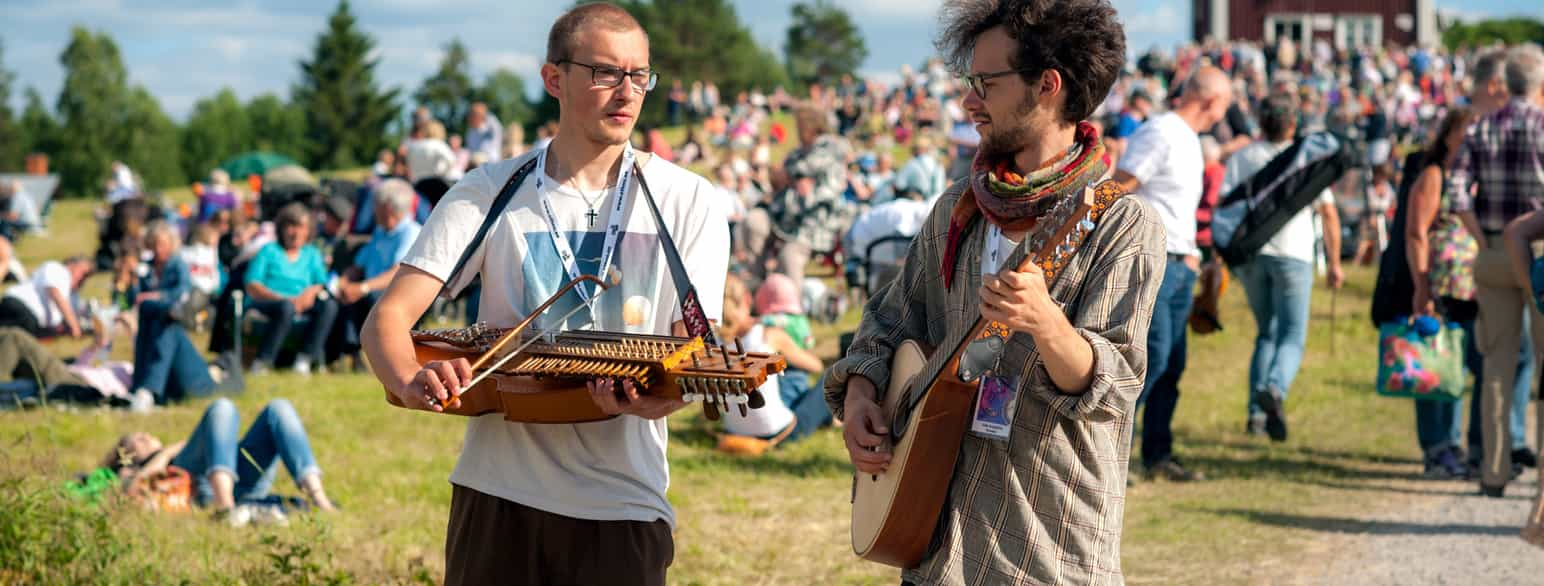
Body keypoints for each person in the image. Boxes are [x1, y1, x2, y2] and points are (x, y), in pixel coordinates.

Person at [362, 4, 728, 584]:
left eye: (639, 75)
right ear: (554, 79)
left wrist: (654, 399)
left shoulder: (689, 199)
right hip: (495, 494)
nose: (626, 92)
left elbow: (692, 358)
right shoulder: (487, 190)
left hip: (623, 502)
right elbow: (388, 320)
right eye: (606, 73)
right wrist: (409, 381)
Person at [828, 0, 1159, 581]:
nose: (968, 100)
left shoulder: (1122, 224)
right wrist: (860, 398)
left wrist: (1047, 323)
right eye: (970, 81)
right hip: (933, 541)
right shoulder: (957, 209)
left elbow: (1114, 385)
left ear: (1048, 86)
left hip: (1046, 546)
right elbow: (888, 325)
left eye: (987, 81)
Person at [1113, 65, 1233, 481]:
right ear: (1211, 101)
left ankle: (1157, 454)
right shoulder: (1161, 131)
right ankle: (1111, 454)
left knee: (1172, 364)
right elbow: (1121, 185)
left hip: (1181, 262)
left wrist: (1196, 258)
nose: (1225, 114)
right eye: (1225, 105)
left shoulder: (1189, 139)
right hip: (1155, 261)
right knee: (1152, 358)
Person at [1447, 44, 1544, 498]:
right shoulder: (1543, 124)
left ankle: (1493, 469)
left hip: (1492, 249)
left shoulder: (1482, 126)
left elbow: (1457, 191)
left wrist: (1481, 236)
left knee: (1496, 365)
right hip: (1539, 249)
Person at [1222, 92, 1343, 441]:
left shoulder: (1243, 156)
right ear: (1293, 124)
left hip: (1254, 255)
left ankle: (1256, 416)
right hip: (1294, 254)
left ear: (1261, 122)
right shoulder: (1304, 158)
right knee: (1292, 335)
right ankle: (1275, 389)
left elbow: (1227, 206)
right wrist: (1335, 262)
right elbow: (1329, 213)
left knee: (1267, 333)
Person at [1377, 107, 1477, 478]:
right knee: (1432, 363)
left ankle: (1451, 442)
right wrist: (1422, 287)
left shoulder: (1468, 175)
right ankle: (1436, 446)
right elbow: (1416, 232)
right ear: (1448, 134)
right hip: (1436, 283)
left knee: (1451, 364)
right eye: (1464, 132)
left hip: (1467, 287)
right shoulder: (1433, 176)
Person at [101, 398, 336, 527]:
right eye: (139, 440)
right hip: (199, 485)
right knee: (221, 408)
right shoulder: (132, 469)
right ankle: (225, 508)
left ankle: (319, 499)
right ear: (129, 455)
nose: (148, 437)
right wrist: (165, 454)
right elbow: (132, 489)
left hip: (243, 480)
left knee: (279, 408)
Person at [717, 275, 826, 448]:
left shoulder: (715, 342)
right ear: (747, 299)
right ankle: (834, 419)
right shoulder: (768, 335)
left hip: (734, 431)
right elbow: (815, 365)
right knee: (830, 379)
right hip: (780, 434)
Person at [332, 179, 420, 369]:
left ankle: (377, 355)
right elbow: (359, 264)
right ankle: (351, 353)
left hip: (397, 291)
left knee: (367, 298)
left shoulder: (411, 232)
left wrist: (362, 288)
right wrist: (345, 280)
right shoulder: (380, 231)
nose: (372, 210)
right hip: (372, 287)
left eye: (376, 205)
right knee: (344, 296)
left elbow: (397, 272)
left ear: (388, 208)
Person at [243, 203, 339, 376]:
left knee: (329, 305)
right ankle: (263, 361)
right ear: (282, 228)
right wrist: (279, 298)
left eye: (301, 227)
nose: (296, 233)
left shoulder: (312, 253)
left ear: (308, 231)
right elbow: (252, 284)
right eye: (291, 226)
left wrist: (308, 295)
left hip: (302, 302)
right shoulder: (268, 250)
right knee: (285, 307)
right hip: (268, 302)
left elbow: (321, 283)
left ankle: (305, 359)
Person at [0, 255, 91, 339]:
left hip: (33, 322)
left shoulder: (72, 295)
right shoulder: (58, 269)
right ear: (72, 265)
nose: (83, 278)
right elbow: (55, 292)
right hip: (21, 306)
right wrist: (74, 325)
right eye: (84, 273)